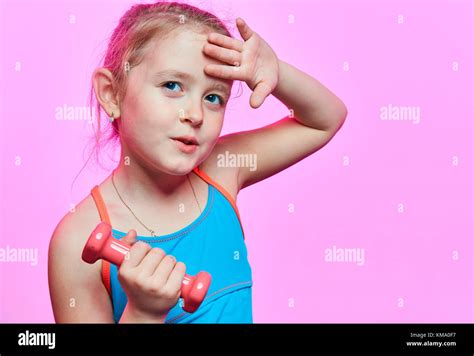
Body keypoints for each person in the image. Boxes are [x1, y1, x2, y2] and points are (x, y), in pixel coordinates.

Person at [48, 1, 348, 324]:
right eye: (172, 86)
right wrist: (143, 313)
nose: (195, 115)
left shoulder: (222, 168)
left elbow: (324, 120)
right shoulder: (76, 241)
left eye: (213, 97)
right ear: (111, 94)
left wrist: (276, 71)